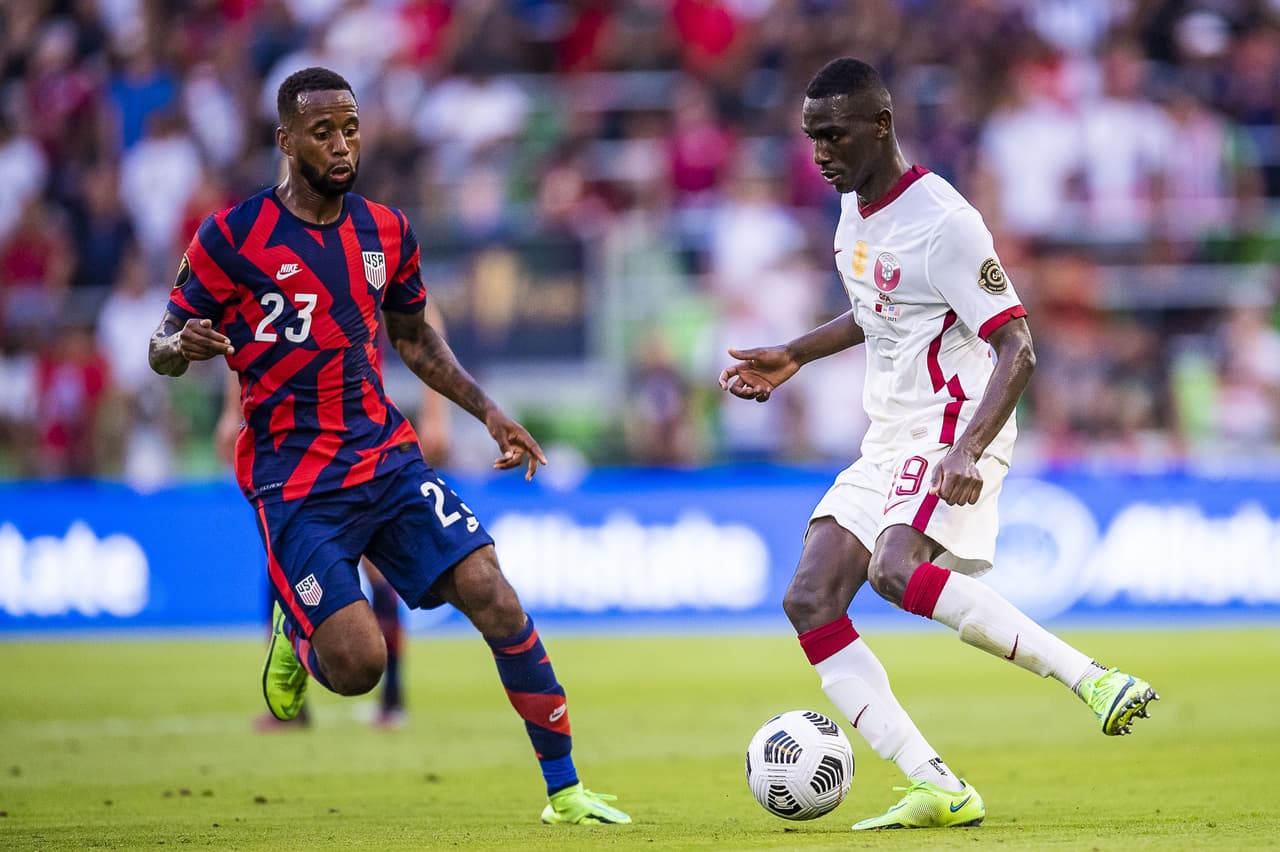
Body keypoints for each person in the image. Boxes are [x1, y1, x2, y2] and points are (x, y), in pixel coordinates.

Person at [149, 67, 630, 826]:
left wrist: (486, 411)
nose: (342, 146)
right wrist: (185, 344)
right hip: (294, 483)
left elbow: (414, 339)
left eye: (351, 128)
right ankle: (299, 636)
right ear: (285, 141)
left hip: (385, 457)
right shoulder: (230, 236)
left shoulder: (386, 231)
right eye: (322, 132)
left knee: (493, 592)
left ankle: (566, 791)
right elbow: (161, 343)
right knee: (358, 667)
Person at [718, 57, 1158, 832]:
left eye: (833, 136)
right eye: (810, 137)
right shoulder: (854, 208)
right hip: (889, 431)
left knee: (895, 568)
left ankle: (1091, 678)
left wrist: (966, 451)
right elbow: (878, 311)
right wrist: (795, 354)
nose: (818, 152)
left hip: (954, 419)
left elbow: (1018, 347)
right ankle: (938, 786)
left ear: (880, 126)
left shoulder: (946, 222)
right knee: (810, 598)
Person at [218, 303, 452, 732]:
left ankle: (393, 696)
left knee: (377, 566)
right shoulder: (267, 254)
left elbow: (425, 314)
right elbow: (250, 338)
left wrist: (435, 411)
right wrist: (234, 413)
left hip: (358, 428)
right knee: (287, 561)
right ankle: (297, 702)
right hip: (291, 434)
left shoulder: (359, 245)